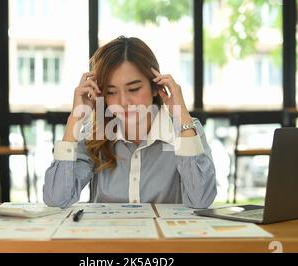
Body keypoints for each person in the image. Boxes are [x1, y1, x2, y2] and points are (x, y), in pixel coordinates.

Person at [44, 36, 216, 208]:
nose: (124, 101)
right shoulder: (94, 135)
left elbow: (200, 200)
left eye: (134, 89)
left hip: (163, 234)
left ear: (156, 87)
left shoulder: (185, 131)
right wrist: (75, 119)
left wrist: (181, 113)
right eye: (111, 92)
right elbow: (57, 199)